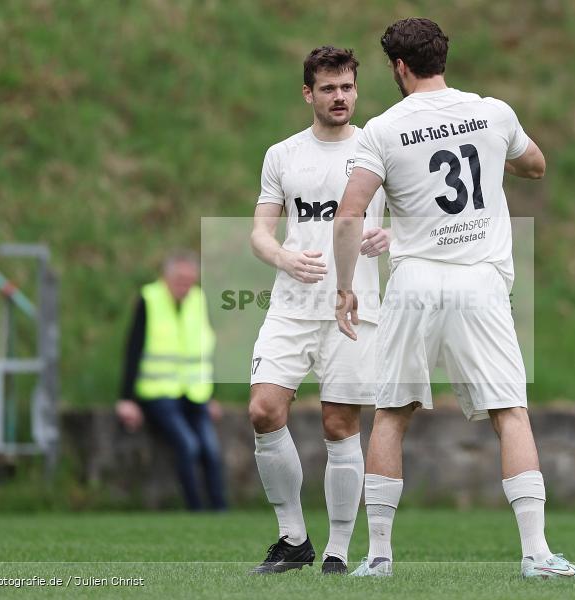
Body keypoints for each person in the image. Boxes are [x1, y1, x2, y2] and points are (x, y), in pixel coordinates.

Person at [333, 18, 575, 579]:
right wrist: (490, 154)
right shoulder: (493, 112)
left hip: (414, 282)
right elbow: (536, 165)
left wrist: (344, 287)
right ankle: (536, 554)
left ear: (399, 68)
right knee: (510, 412)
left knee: (390, 415)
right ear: (442, 59)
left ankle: (378, 558)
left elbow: (351, 212)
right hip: (479, 280)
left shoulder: (380, 130)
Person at [247, 46, 389, 575]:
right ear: (309, 93)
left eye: (347, 87)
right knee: (263, 409)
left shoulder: (377, 149)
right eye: (328, 88)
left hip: (353, 308)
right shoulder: (282, 154)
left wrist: (389, 235)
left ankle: (337, 550)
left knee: (339, 424)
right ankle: (293, 537)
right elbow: (260, 232)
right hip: (291, 307)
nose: (340, 97)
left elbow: (420, 217)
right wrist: (283, 255)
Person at [115, 251, 228, 512]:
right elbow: (133, 349)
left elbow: (204, 351)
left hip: (194, 393)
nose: (185, 286)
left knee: (211, 450)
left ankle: (221, 511)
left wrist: (211, 395)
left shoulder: (199, 299)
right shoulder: (149, 299)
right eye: (179, 279)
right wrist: (125, 399)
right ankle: (196, 511)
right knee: (188, 445)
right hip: (158, 393)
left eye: (190, 280)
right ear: (165, 277)